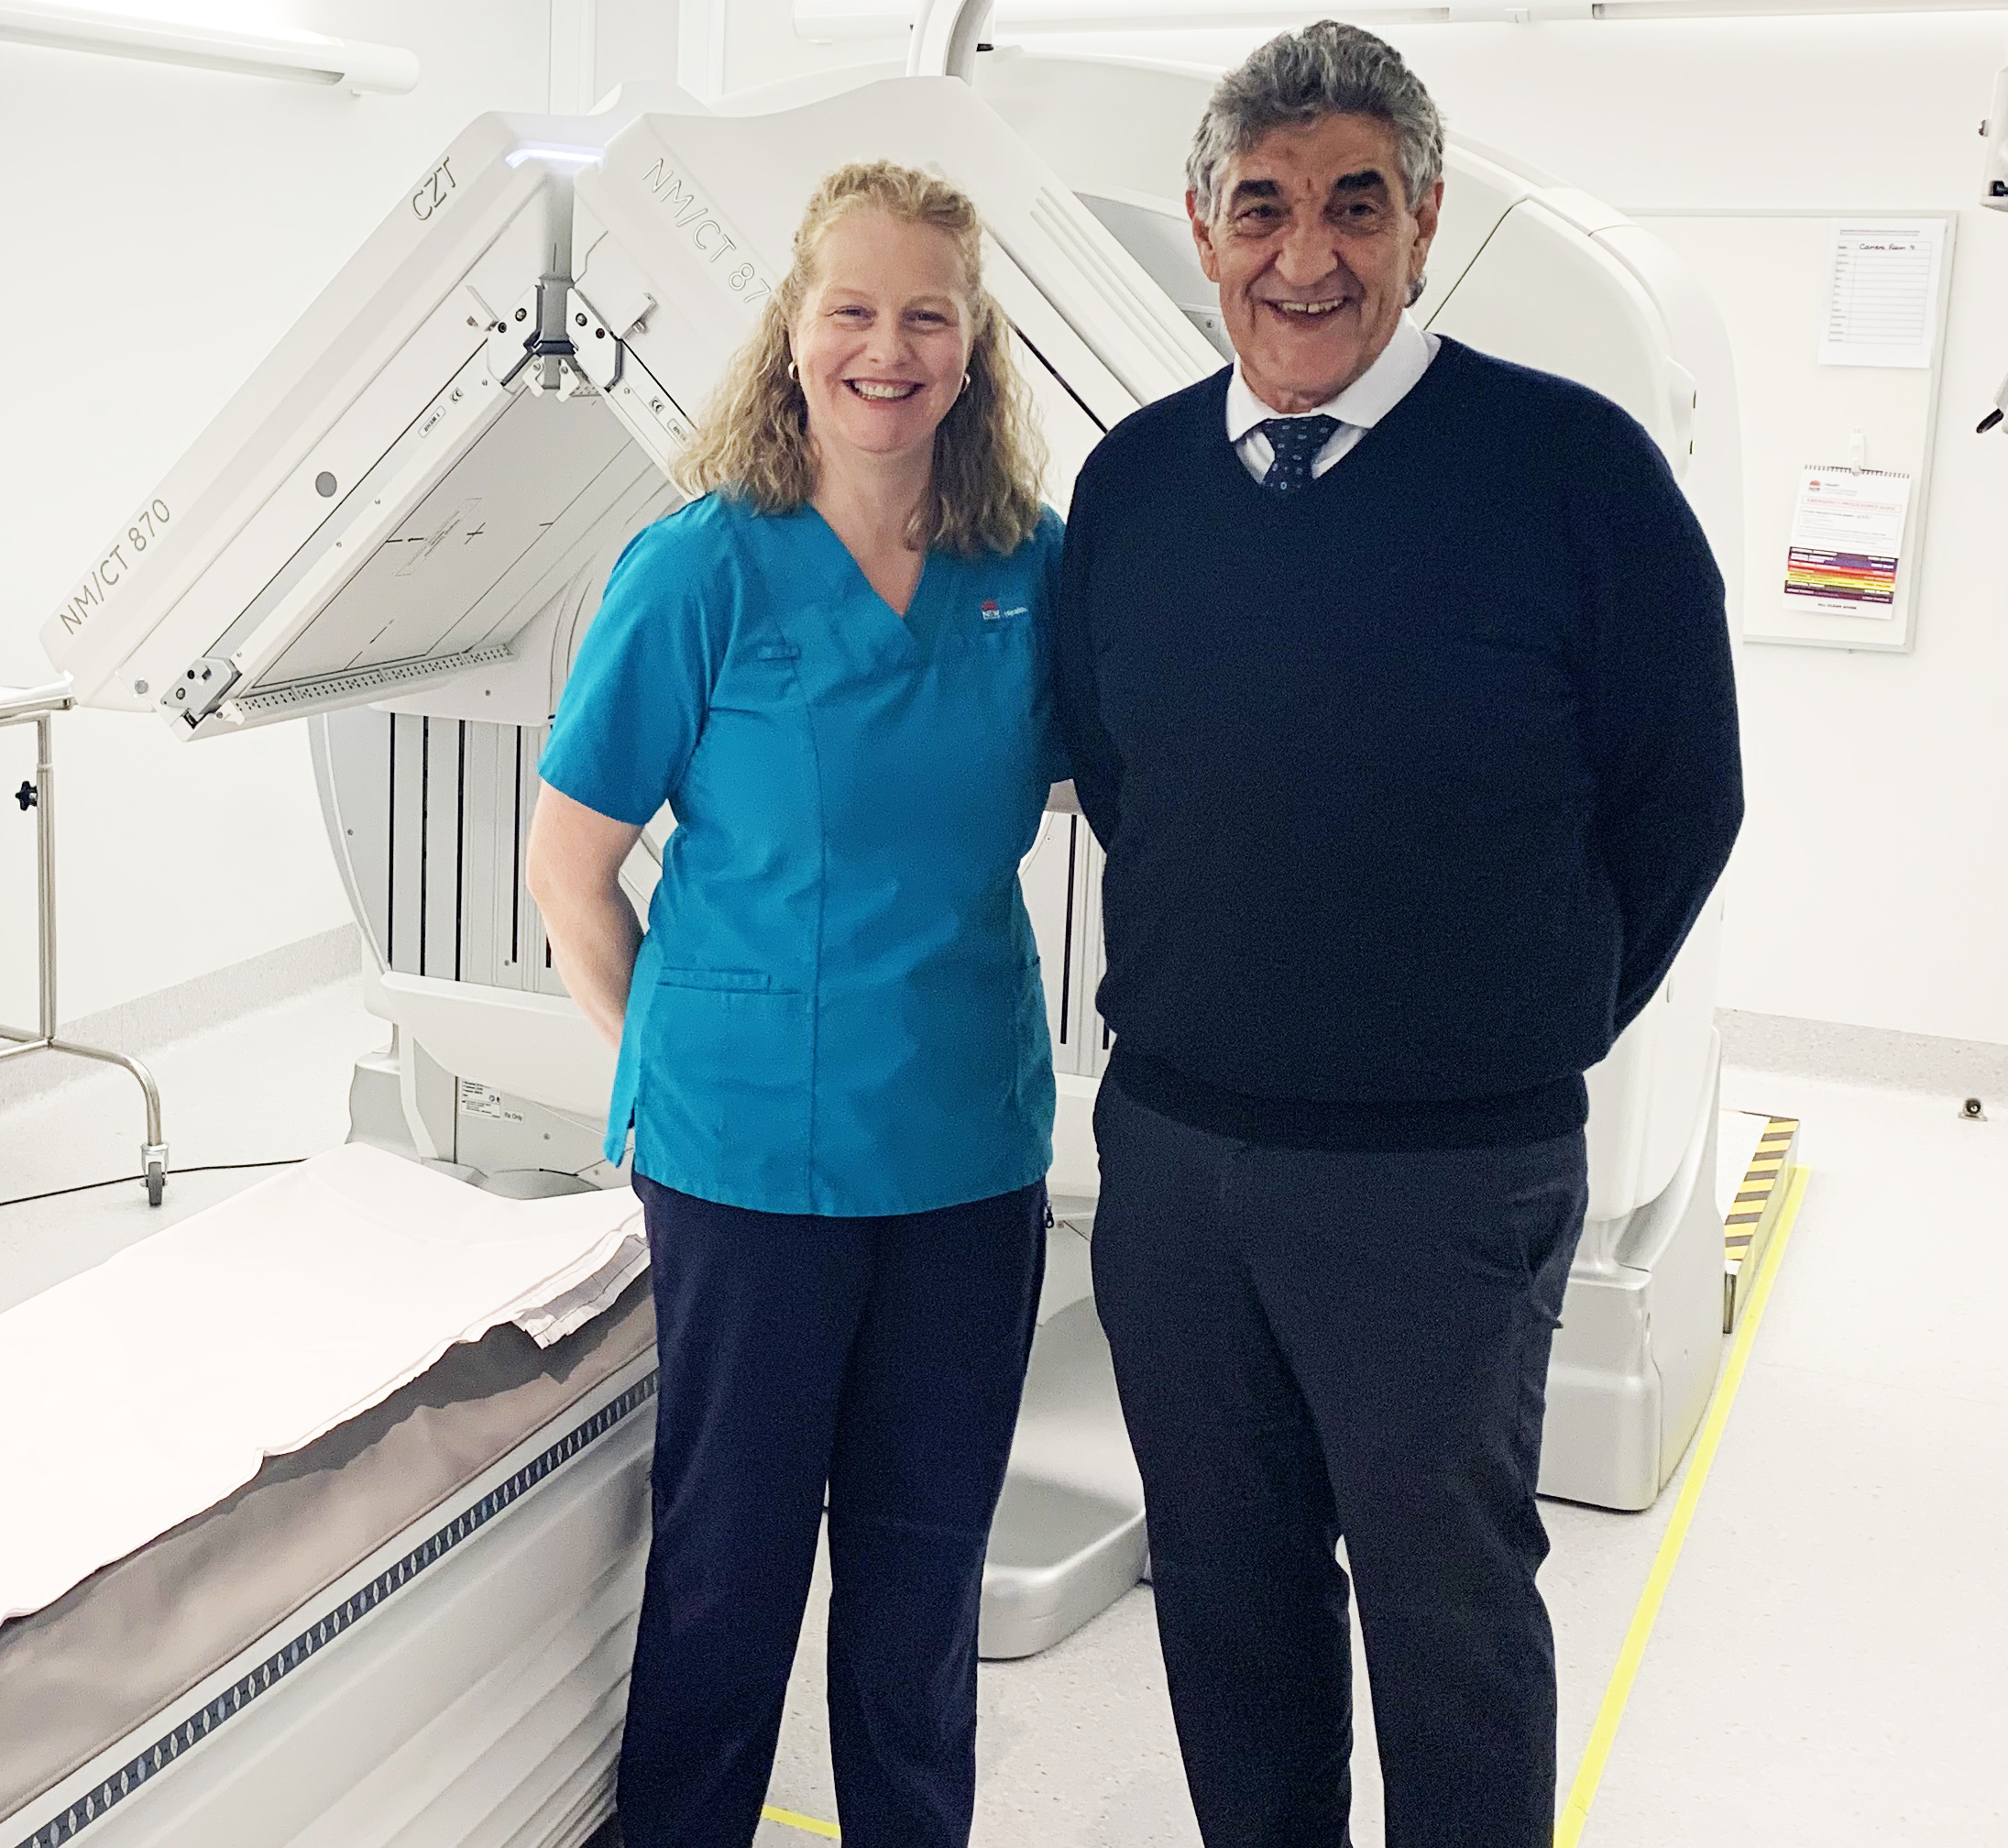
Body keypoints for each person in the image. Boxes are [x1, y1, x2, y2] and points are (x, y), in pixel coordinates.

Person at [1047, 23, 1743, 1848]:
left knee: (1449, 1619)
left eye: (1356, 204)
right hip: (1183, 1160)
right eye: (1262, 206)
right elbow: (1130, 771)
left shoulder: (1568, 471)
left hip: (1446, 1176)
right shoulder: (1130, 491)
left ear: (1424, 220)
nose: (1307, 255)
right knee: (1224, 1590)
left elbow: (1685, 794)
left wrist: (1534, 1019)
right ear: (1202, 230)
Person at [521, 160, 1067, 1848]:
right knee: (727, 1577)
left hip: (966, 1158)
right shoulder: (699, 571)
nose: (887, 349)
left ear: (972, 351)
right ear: (795, 329)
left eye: (928, 316)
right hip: (745, 1169)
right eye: (854, 310)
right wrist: (674, 1064)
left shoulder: (1032, 573)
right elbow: (571, 872)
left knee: (920, 1592)